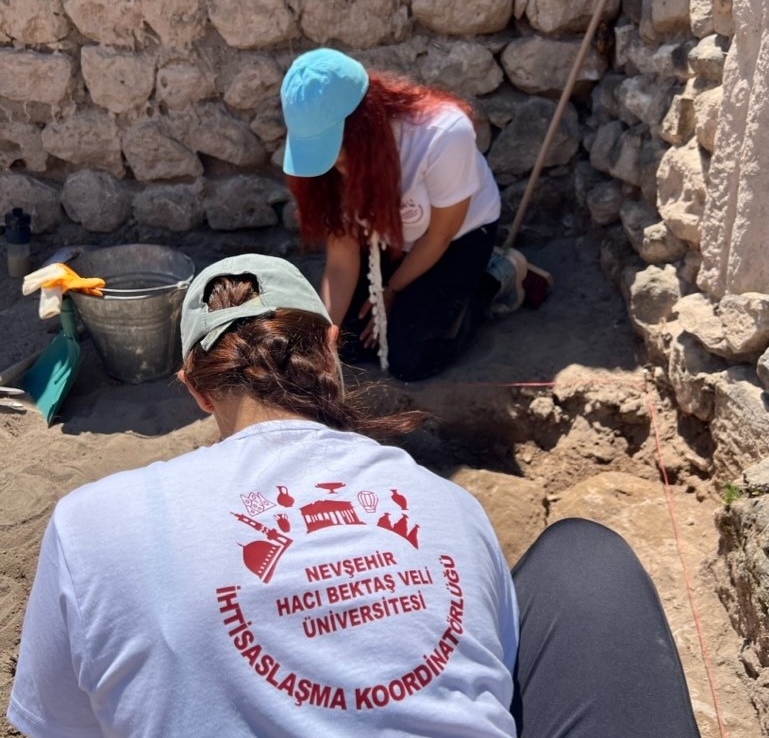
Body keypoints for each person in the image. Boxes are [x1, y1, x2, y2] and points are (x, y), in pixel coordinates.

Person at [8, 254, 700, 737]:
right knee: (584, 557)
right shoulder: (446, 506)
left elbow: (62, 726)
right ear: (332, 351)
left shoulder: (90, 524)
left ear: (193, 390)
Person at [280, 47, 553, 382]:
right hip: (392, 237)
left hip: (454, 237)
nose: (334, 167)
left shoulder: (442, 135)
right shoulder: (331, 169)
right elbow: (340, 261)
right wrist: (325, 339)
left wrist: (391, 291)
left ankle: (496, 276)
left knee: (411, 358)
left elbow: (438, 236)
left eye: (335, 151)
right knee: (349, 345)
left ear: (364, 126)